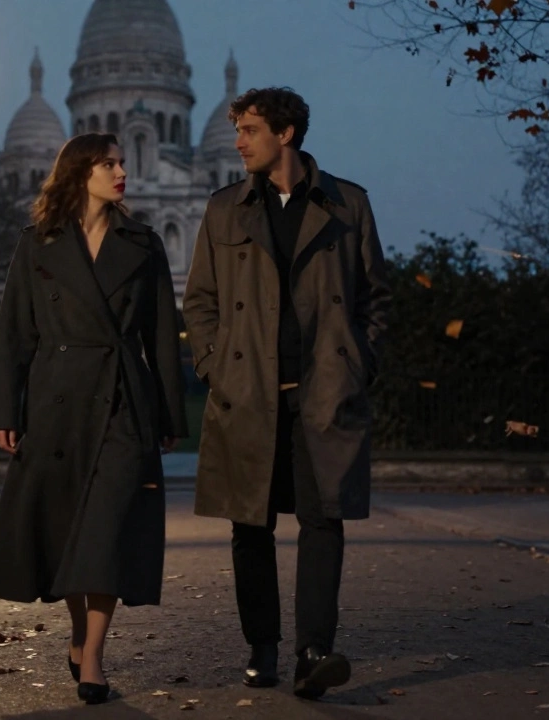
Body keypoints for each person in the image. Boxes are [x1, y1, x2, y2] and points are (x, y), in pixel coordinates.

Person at [182, 87, 391, 700]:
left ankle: (313, 651)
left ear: (287, 134)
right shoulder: (224, 210)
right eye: (238, 130)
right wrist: (216, 365)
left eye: (249, 130)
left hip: (323, 388)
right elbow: (201, 300)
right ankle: (263, 646)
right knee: (251, 523)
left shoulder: (348, 204)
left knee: (323, 519)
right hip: (248, 390)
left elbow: (377, 296)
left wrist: (359, 362)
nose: (238, 141)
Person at [0, 132, 188, 705]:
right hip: (56, 403)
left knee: (106, 530)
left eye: (123, 161)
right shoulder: (37, 244)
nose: (123, 171)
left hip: (123, 402)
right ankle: (79, 632)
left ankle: (93, 654)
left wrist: (168, 412)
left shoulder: (144, 244)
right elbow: (14, 334)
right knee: (66, 530)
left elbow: (162, 338)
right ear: (80, 173)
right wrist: (5, 408)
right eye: (110, 163)